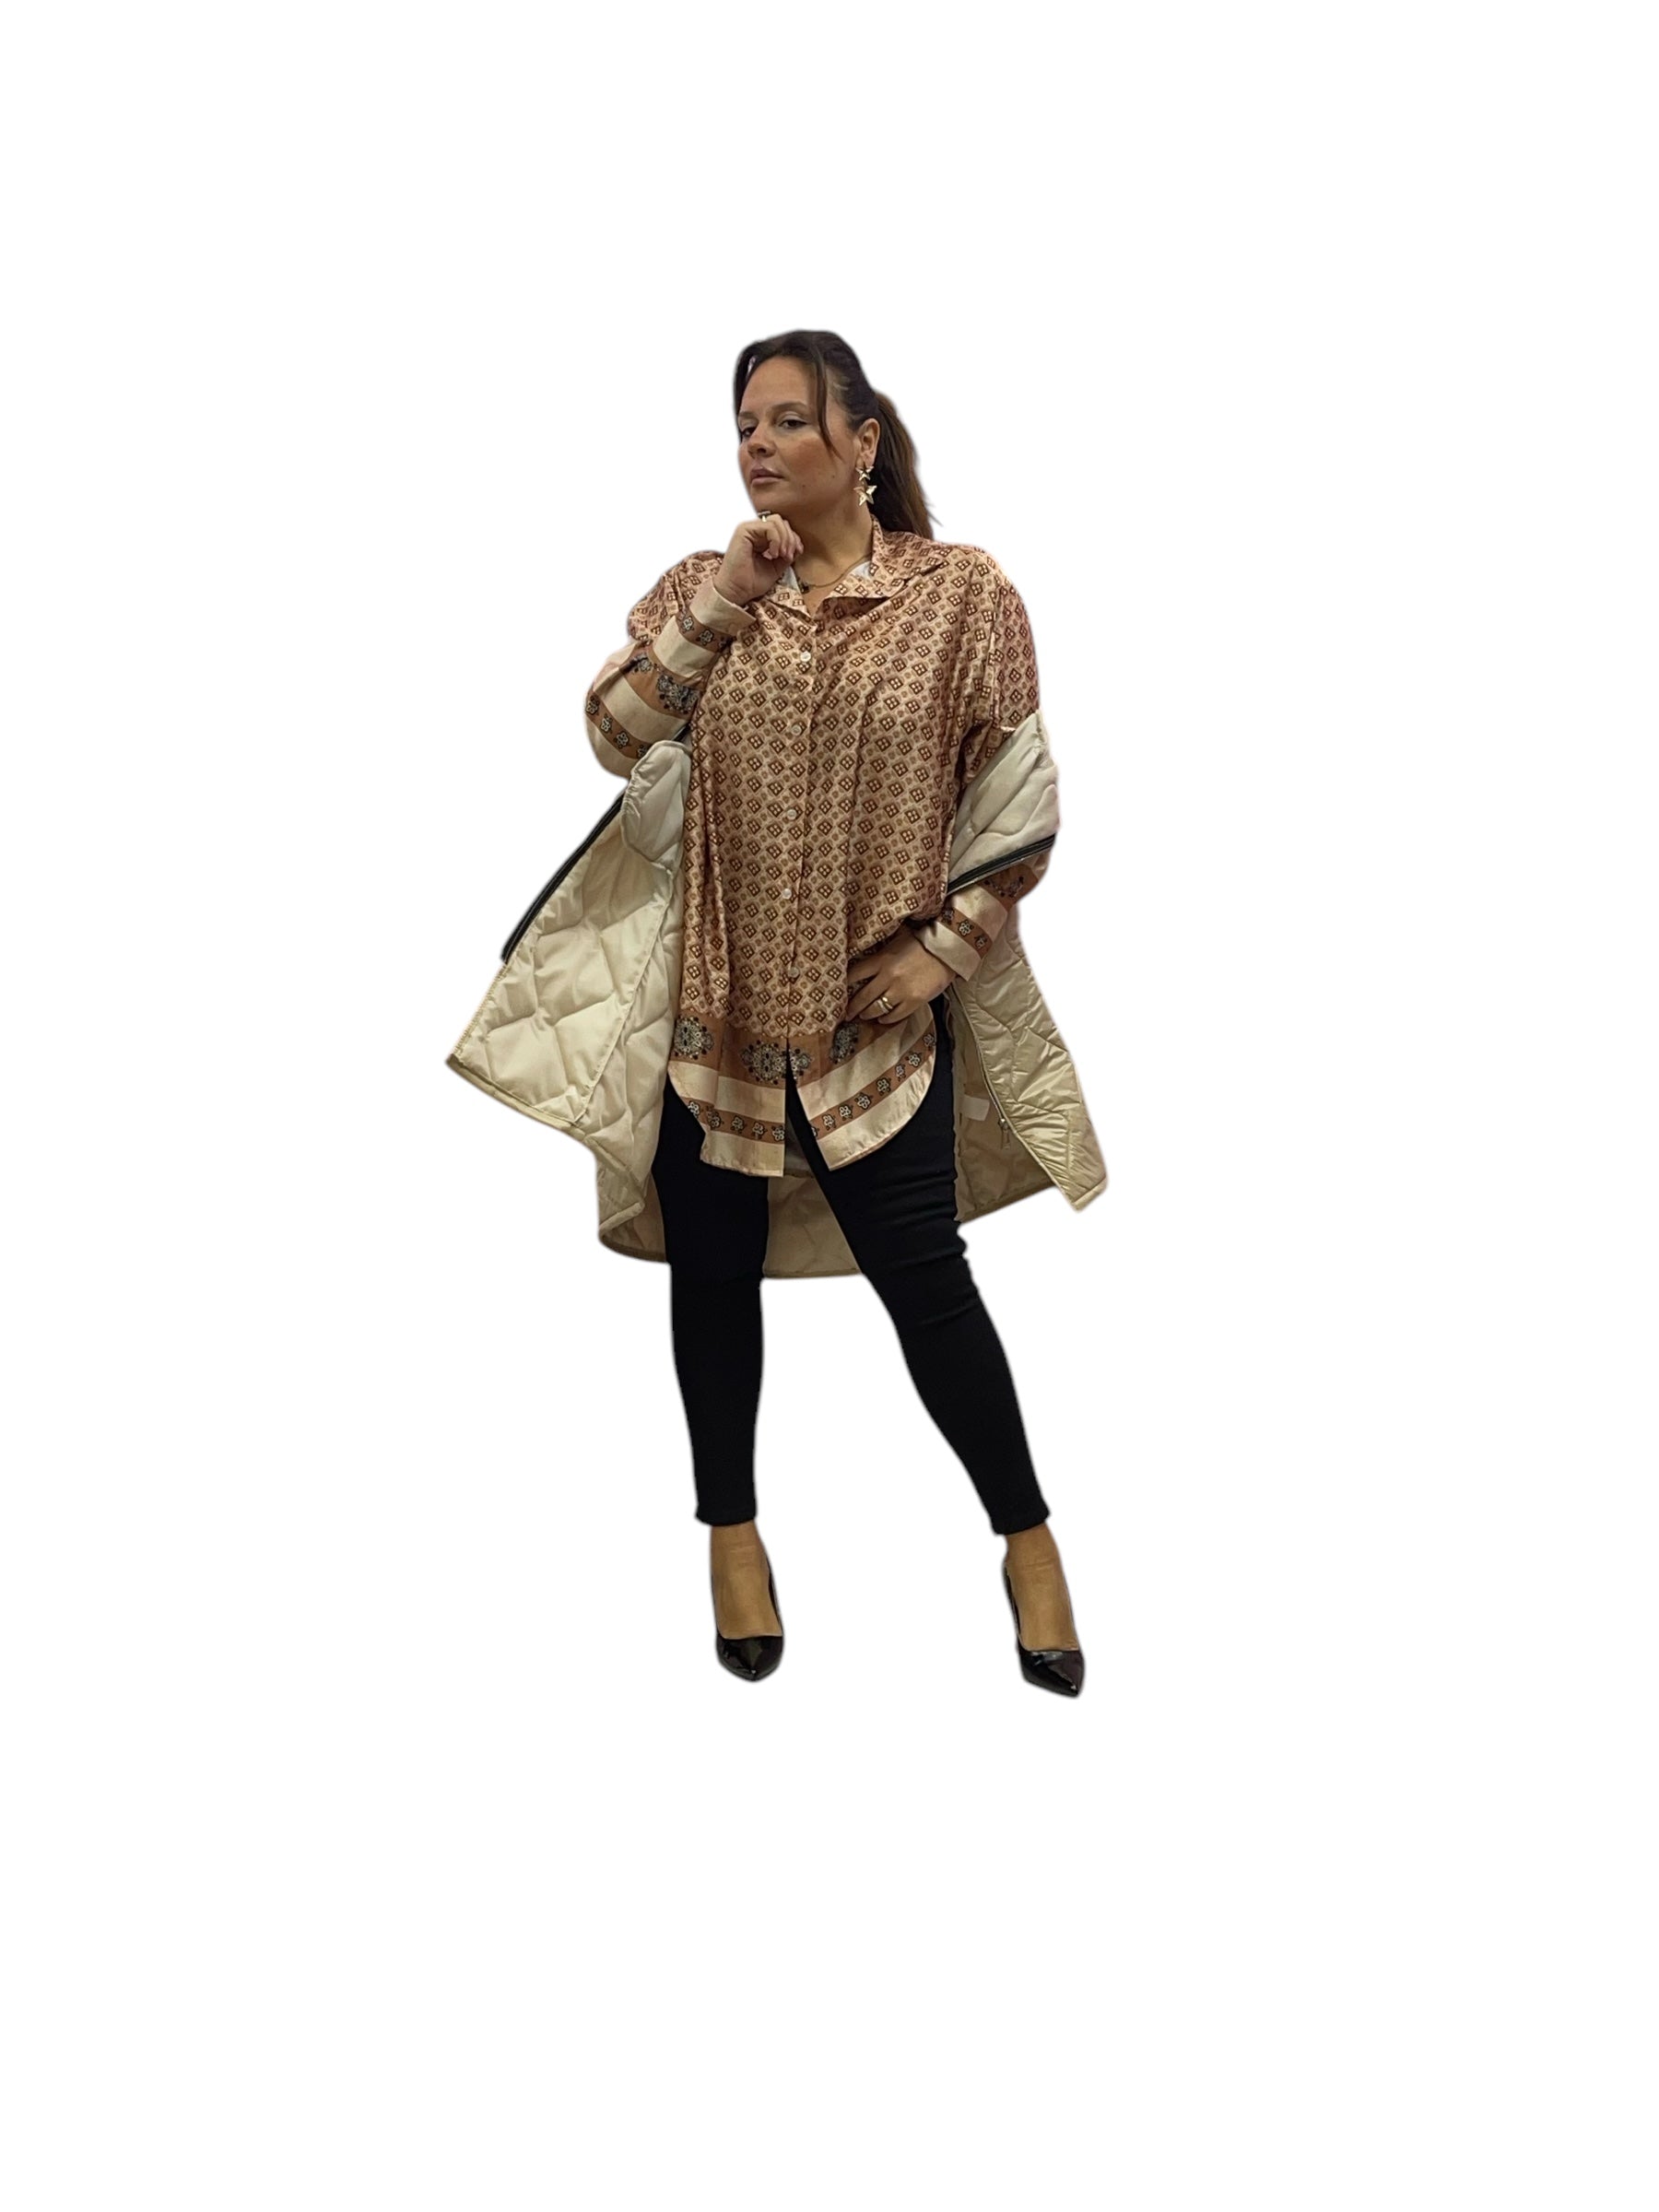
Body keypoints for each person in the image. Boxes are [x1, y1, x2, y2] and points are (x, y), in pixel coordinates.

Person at [581, 329, 1087, 1695]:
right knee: (711, 1280)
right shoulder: (705, 587)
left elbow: (1020, 798)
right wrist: (723, 601)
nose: (758, 443)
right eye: (744, 422)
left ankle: (1028, 1540)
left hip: (875, 1027)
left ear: (862, 442)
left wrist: (944, 952)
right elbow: (614, 735)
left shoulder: (962, 596)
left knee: (929, 1288)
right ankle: (731, 1536)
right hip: (716, 1016)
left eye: (789, 420)